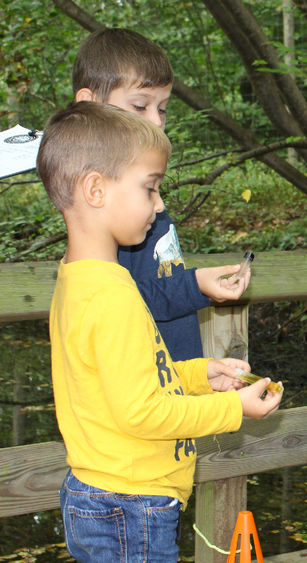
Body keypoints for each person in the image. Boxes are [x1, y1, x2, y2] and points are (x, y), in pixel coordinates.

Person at [38, 101, 283, 562]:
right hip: (130, 505)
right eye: (149, 188)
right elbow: (143, 414)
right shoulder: (108, 294)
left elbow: (125, 382)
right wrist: (232, 408)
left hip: (108, 493)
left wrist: (199, 375)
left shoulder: (79, 278)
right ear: (95, 189)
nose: (157, 203)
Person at [73, 28, 250, 361]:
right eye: (140, 106)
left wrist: (198, 373)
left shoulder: (132, 193)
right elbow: (119, 301)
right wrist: (195, 284)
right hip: (143, 387)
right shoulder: (106, 206)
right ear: (89, 105)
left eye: (163, 108)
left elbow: (156, 280)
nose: (156, 121)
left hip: (175, 379)